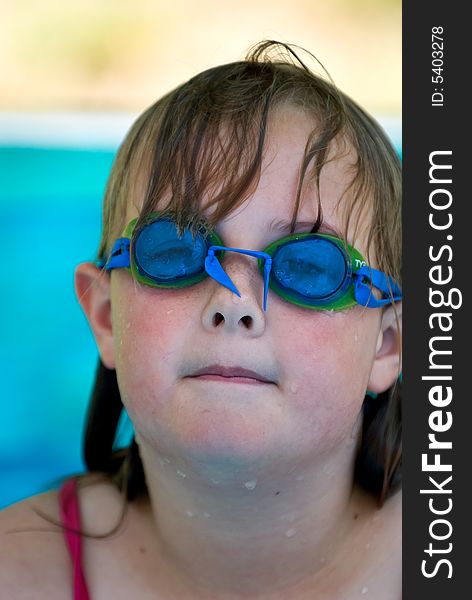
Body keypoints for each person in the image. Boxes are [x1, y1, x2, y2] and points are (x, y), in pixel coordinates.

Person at [0, 41, 402, 599]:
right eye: (173, 252)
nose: (233, 302)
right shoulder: (18, 574)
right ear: (106, 316)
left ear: (388, 343)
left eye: (310, 267)